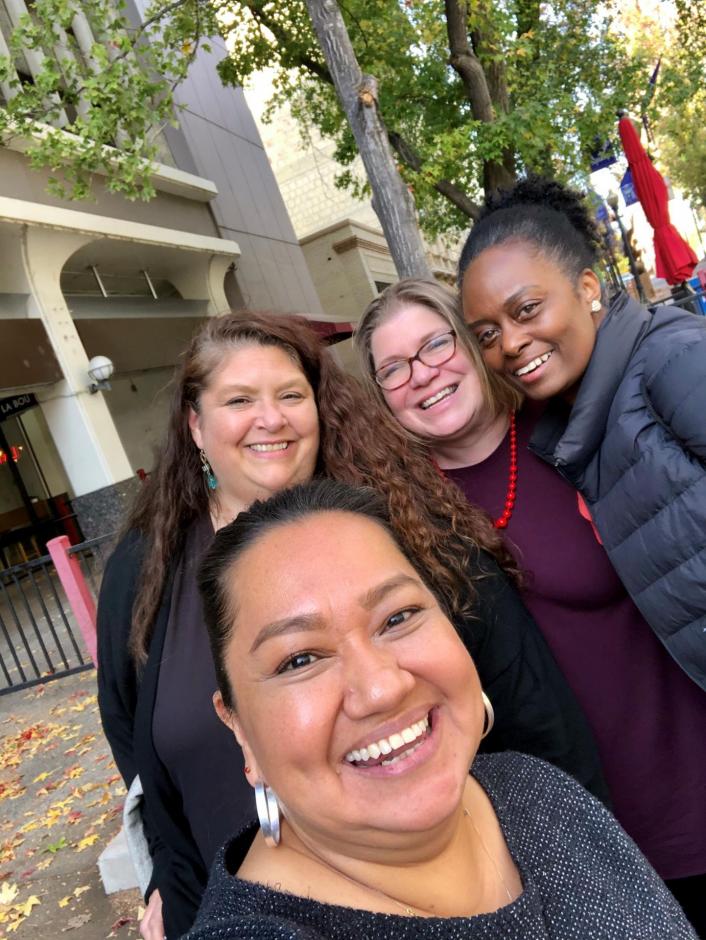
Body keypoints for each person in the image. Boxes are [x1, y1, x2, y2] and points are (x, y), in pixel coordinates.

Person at [97, 312, 604, 940]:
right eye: (239, 400)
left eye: (290, 395)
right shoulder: (148, 564)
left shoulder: (406, 532)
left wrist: (577, 868)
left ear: (320, 408)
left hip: (459, 906)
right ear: (195, 424)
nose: (271, 418)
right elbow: (135, 743)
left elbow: (533, 709)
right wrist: (162, 885)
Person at [184, 478, 696, 940]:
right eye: (300, 658)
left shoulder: (540, 792)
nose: (382, 688)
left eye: (398, 616)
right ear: (239, 728)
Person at [355, 275, 706, 935]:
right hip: (563, 830)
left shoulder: (576, 429)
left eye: (435, 345)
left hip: (687, 766)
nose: (422, 374)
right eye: (394, 368)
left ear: (472, 343)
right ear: (380, 398)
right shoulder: (392, 519)